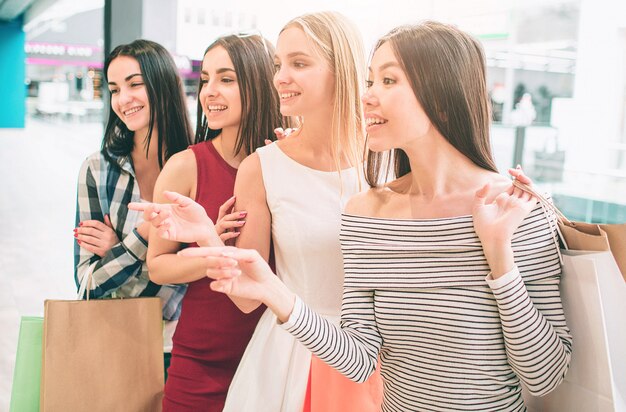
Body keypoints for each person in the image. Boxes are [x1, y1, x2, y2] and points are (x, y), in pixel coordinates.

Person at [180, 22, 573, 411]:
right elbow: (359, 358)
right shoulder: (365, 213)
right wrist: (276, 292)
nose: (366, 96)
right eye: (370, 81)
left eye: (388, 81)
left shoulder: (517, 208)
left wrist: (500, 258)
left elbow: (545, 376)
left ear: (441, 94)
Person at [132, 11, 383, 412]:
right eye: (280, 65)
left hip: (376, 358)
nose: (281, 76)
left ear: (343, 69)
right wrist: (208, 236)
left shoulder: (387, 159)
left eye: (298, 63)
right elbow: (246, 291)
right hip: (273, 350)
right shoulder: (260, 166)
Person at [132, 34, 282, 411]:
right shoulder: (186, 165)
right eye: (205, 79)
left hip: (275, 355)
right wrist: (210, 244)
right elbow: (159, 266)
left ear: (261, 83)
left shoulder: (285, 163)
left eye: (226, 79)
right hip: (200, 362)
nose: (209, 92)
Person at [73, 39, 193, 376]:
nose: (123, 99)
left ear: (162, 85)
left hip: (185, 349)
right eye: (114, 89)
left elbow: (195, 282)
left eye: (135, 84)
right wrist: (144, 235)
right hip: (116, 344)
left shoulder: (198, 165)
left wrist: (116, 250)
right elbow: (89, 283)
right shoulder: (98, 170)